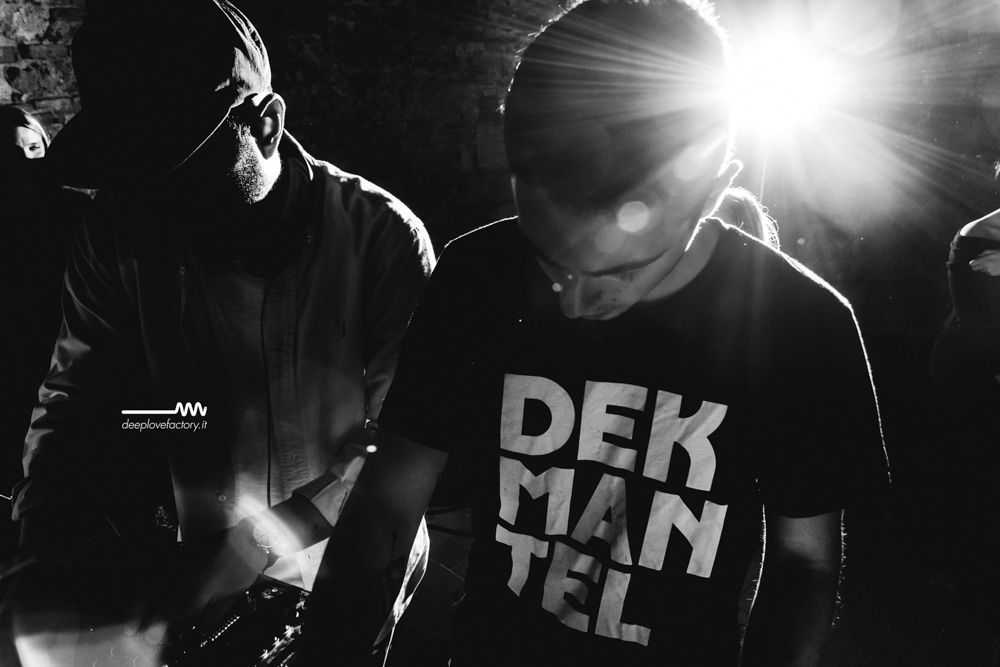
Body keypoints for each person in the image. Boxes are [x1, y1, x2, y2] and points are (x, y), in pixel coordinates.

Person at [298, 1, 888, 665]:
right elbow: (388, 499)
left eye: (620, 270)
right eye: (549, 257)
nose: (574, 302)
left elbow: (803, 562)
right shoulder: (475, 275)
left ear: (712, 191)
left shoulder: (802, 325)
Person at [0, 1, 434, 665]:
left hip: (354, 557)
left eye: (181, 170)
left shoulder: (382, 238)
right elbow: (76, 405)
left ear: (266, 124)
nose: (156, 210)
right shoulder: (119, 229)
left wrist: (258, 542)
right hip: (201, 569)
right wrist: (41, 554)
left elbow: (398, 449)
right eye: (131, 176)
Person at [0, 107, 90, 564]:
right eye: (11, 153)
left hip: (81, 358)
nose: (25, 162)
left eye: (34, 148)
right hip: (18, 370)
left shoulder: (79, 212)